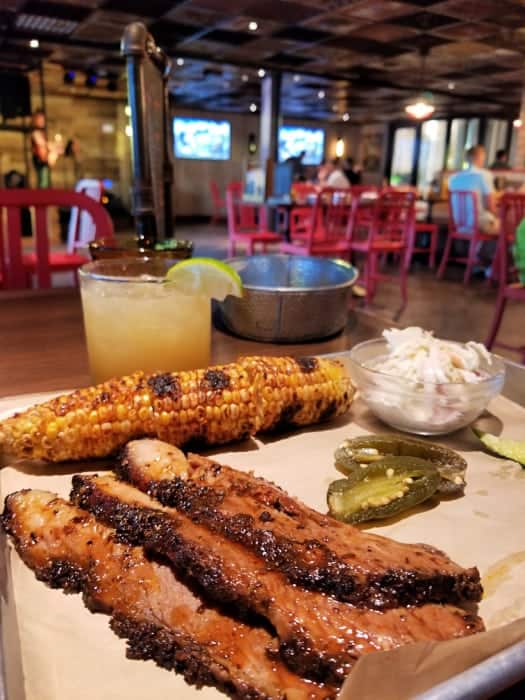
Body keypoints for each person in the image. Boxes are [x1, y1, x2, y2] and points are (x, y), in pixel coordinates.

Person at [448, 144, 499, 235]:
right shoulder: (484, 175)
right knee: (511, 228)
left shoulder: (453, 178)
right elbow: (491, 205)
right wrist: (500, 215)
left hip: (458, 224)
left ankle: (476, 248)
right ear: (481, 157)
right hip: (478, 224)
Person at [30, 109, 62, 188]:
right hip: (39, 159)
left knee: (45, 180)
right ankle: (42, 198)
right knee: (43, 181)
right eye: (40, 119)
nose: (42, 121)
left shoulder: (42, 132)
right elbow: (42, 143)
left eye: (43, 119)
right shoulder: (35, 132)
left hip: (44, 159)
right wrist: (54, 147)